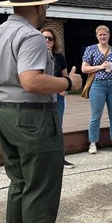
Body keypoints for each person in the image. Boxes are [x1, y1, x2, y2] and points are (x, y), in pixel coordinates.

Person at [0, 0, 81, 223]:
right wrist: (67, 82)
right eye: (45, 5)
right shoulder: (32, 37)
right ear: (38, 6)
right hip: (33, 118)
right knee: (42, 186)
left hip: (2, 113)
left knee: (20, 182)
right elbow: (31, 80)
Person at [82, 25, 112, 154]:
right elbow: (84, 68)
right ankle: (92, 143)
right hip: (98, 85)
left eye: (105, 34)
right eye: (100, 35)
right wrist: (100, 66)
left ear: (109, 35)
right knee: (96, 115)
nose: (102, 37)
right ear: (97, 36)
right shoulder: (90, 49)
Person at [41, 27, 74, 168]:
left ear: (54, 41)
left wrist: (64, 88)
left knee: (57, 126)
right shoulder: (35, 56)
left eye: (50, 38)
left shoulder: (59, 57)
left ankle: (59, 157)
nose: (47, 41)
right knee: (42, 126)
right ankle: (44, 158)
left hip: (58, 97)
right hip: (41, 97)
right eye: (44, 38)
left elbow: (66, 77)